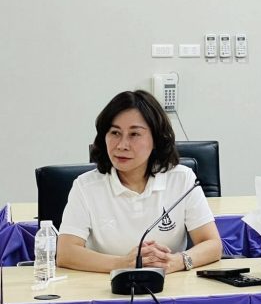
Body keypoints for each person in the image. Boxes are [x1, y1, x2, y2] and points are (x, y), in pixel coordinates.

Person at [57, 90, 222, 273]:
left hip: (169, 284)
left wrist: (178, 261)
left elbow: (212, 244)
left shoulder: (182, 179)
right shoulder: (85, 186)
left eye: (134, 134)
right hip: (106, 286)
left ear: (156, 139)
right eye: (115, 133)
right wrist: (122, 264)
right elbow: (66, 253)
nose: (122, 145)